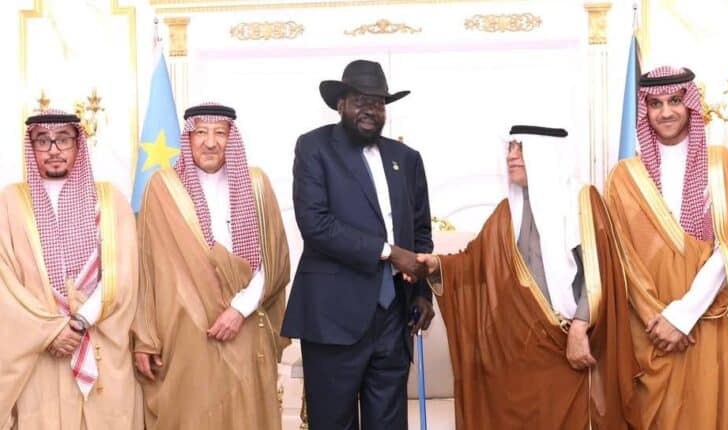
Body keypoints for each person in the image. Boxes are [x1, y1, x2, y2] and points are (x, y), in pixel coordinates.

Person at [417, 125, 640, 429]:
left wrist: (579, 328)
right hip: (518, 356)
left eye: (521, 148)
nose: (511, 156)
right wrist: (436, 265)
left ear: (545, 152)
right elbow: (473, 262)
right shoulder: (507, 212)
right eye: (509, 148)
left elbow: (599, 272)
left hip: (566, 349)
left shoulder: (582, 202)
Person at [281, 59, 434, 429]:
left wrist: (422, 293)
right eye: (361, 101)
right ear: (341, 105)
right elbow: (315, 224)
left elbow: (420, 232)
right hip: (333, 319)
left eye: (378, 103)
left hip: (394, 319)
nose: (370, 110)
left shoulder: (406, 159)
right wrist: (389, 252)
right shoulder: (314, 148)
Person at [605, 66, 728, 429]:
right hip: (650, 331)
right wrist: (660, 319)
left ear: (690, 104)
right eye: (655, 103)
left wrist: (683, 315)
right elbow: (622, 256)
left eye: (674, 100)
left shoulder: (725, 166)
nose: (665, 111)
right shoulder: (624, 177)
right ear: (644, 109)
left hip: (709, 320)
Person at [132, 103, 290, 429]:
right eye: (201, 132)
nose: (210, 142)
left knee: (247, 414)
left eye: (220, 133)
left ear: (232, 138)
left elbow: (273, 260)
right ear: (188, 137)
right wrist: (145, 338)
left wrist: (239, 309)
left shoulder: (256, 184)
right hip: (185, 331)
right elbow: (147, 268)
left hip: (246, 323)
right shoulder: (162, 187)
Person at [0, 110, 142, 429]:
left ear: (78, 144)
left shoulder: (110, 200)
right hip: (39, 350)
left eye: (63, 139)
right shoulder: (9, 202)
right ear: (31, 147)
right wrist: (51, 330)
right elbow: (5, 284)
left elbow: (124, 274)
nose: (53, 149)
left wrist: (79, 322)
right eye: (43, 141)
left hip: (101, 340)